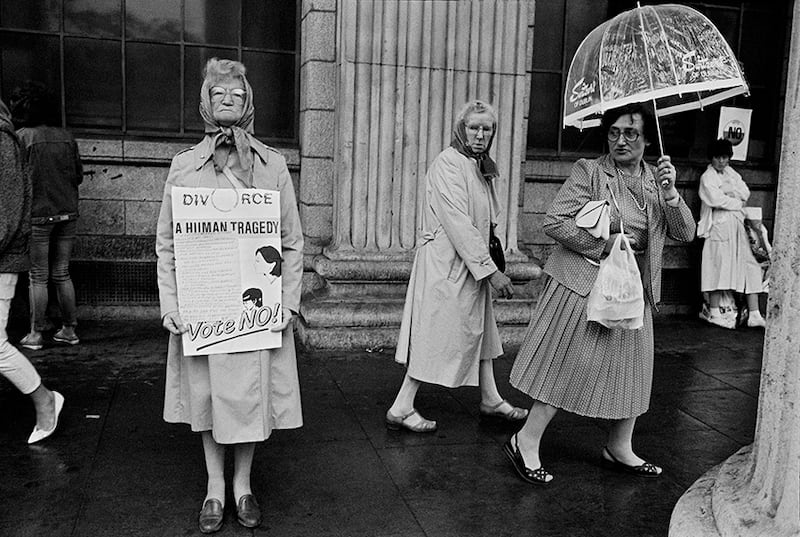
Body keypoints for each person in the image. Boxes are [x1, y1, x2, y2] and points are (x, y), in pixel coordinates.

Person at [507, 103, 696, 484]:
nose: (621, 140)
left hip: (633, 288)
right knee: (568, 363)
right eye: (614, 132)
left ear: (647, 139)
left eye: (631, 133)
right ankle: (524, 440)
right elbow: (554, 221)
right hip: (586, 283)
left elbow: (686, 232)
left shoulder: (656, 182)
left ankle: (619, 447)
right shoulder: (589, 171)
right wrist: (603, 245)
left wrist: (673, 194)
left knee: (634, 369)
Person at [156, 58, 304, 534]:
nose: (227, 100)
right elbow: (167, 243)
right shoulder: (184, 167)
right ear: (205, 101)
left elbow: (292, 241)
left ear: (248, 103)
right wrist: (171, 306)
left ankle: (243, 484)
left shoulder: (273, 165)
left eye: (236, 95)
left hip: (254, 310)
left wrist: (288, 302)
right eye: (218, 93)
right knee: (206, 396)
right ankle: (214, 486)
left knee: (249, 397)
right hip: (204, 310)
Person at [387, 100, 526, 433]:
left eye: (487, 128)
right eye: (473, 127)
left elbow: (487, 218)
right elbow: (458, 222)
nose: (480, 135)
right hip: (447, 266)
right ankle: (401, 406)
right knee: (436, 334)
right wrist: (490, 270)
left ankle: (490, 398)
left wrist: (490, 255)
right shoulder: (448, 163)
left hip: (468, 263)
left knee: (482, 332)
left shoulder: (479, 166)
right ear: (461, 128)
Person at [0, 97, 64, 444]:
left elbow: (6, 213)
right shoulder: (58, 138)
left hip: (6, 254)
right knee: (59, 273)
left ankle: (44, 398)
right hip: (63, 211)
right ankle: (61, 327)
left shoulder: (6, 139)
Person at [9, 82, 83, 350]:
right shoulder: (67, 137)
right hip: (67, 213)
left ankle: (36, 333)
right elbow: (78, 176)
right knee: (62, 273)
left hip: (37, 214)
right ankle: (69, 329)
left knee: (37, 276)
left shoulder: (22, 137)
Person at [697, 138, 766, 329]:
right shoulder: (707, 177)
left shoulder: (731, 173)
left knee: (749, 264)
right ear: (712, 158)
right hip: (718, 226)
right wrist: (734, 200)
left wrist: (730, 190)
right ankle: (714, 311)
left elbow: (745, 192)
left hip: (738, 225)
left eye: (725, 157)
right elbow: (715, 199)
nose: (722, 161)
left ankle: (754, 313)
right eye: (718, 157)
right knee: (717, 265)